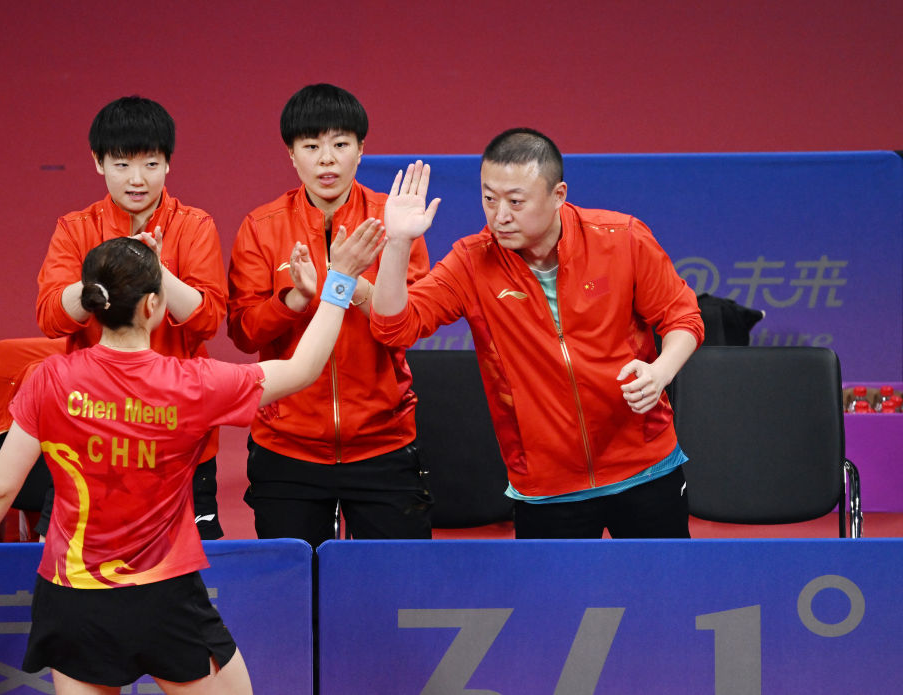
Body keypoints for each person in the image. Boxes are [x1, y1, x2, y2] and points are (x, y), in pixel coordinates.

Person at [0, 226, 385, 694]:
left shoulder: (49, 378)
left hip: (72, 598)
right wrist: (340, 278)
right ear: (152, 305)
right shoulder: (192, 385)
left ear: (94, 304)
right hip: (162, 597)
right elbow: (303, 369)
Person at [371, 128, 705, 539]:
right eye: (489, 199)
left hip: (646, 467)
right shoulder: (471, 262)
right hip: (546, 487)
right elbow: (393, 328)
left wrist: (661, 372)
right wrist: (398, 243)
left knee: (661, 581)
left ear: (558, 194)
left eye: (516, 201)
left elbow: (682, 316)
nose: (500, 216)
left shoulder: (622, 238)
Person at [227, 83, 433, 548]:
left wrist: (353, 285)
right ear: (291, 154)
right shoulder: (261, 227)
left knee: (396, 581)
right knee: (296, 586)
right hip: (287, 444)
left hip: (383, 440)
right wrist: (294, 302)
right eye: (311, 146)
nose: (327, 160)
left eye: (340, 144)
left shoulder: (394, 220)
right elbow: (243, 332)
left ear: (361, 150)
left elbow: (411, 326)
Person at [36, 96, 229, 539]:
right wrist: (104, 277)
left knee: (187, 571)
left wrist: (155, 270)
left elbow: (207, 321)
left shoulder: (195, 226)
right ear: (98, 162)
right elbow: (51, 317)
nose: (137, 179)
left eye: (151, 164)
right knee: (71, 564)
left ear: (168, 164)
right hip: (90, 434)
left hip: (179, 437)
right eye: (122, 165)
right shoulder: (75, 229)